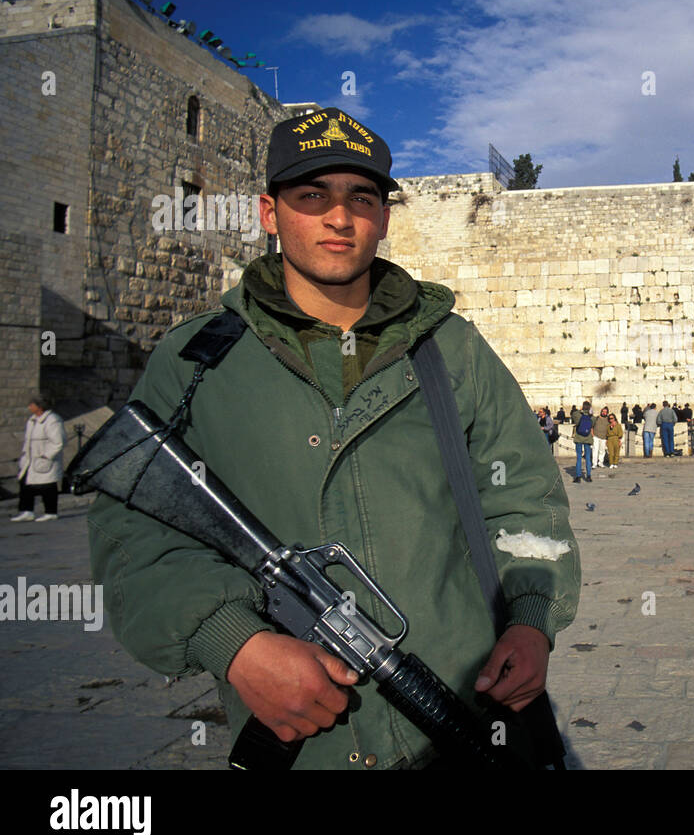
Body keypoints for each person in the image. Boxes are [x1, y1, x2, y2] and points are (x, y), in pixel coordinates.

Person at [86, 108, 580, 770]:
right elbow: (135, 535)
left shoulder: (450, 350)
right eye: (311, 195)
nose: (339, 218)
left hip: (465, 713)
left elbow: (524, 494)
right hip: (308, 743)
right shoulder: (196, 361)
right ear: (269, 212)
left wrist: (529, 617)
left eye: (361, 198)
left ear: (382, 215)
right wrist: (234, 643)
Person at [12, 395, 65, 523]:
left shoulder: (52, 420)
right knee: (25, 485)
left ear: (39, 406)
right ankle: (27, 511)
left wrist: (46, 455)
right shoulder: (32, 420)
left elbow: (58, 442)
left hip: (44, 459)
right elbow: (28, 441)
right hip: (30, 459)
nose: (29, 407)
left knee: (47, 486)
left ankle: (51, 512)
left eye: (32, 404)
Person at [573, 402, 595, 481]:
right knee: (588, 458)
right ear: (589, 408)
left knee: (579, 457)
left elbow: (574, 414)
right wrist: (591, 413)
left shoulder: (578, 415)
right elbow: (593, 424)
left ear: (583, 407)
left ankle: (578, 476)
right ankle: (588, 476)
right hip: (588, 438)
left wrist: (580, 410)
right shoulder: (592, 417)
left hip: (579, 437)